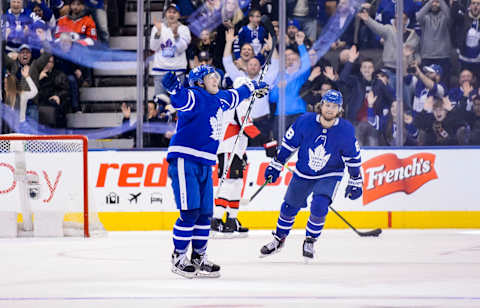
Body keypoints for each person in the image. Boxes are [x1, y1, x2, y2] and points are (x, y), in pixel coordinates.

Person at [162, 65, 268, 278]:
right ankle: (178, 257)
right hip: (185, 159)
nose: (216, 80)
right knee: (190, 212)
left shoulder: (220, 98)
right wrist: (174, 89)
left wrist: (254, 85)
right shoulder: (195, 95)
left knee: (204, 214)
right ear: (200, 81)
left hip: (205, 162)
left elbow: (238, 95)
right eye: (211, 76)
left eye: (217, 76)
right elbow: (181, 99)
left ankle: (198, 256)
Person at [259, 90, 363, 261]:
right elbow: (289, 145)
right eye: (327, 105)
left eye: (334, 106)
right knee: (288, 208)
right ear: (321, 105)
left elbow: (352, 157)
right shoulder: (305, 121)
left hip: (330, 173)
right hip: (304, 171)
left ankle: (310, 240)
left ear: (340, 109)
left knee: (319, 205)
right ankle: (279, 239)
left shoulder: (345, 130)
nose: (330, 109)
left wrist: (355, 179)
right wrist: (277, 164)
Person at [211, 76, 277, 237]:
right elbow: (247, 127)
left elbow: (242, 131)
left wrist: (244, 153)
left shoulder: (239, 103)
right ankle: (216, 221)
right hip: (229, 149)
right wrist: (267, 142)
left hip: (236, 150)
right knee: (229, 183)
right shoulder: (241, 103)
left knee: (237, 183)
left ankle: (231, 220)